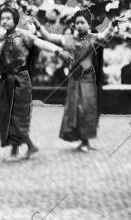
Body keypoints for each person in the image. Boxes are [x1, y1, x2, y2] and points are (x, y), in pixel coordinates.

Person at [0, 6, 73, 162]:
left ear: (15, 20)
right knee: (4, 113)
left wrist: (58, 51)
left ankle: (15, 152)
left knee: (17, 115)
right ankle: (29, 146)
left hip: (20, 79)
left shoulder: (24, 35)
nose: (4, 21)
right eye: (2, 18)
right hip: (5, 79)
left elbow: (40, 43)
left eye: (8, 18)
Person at [37, 9, 125, 152]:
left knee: (88, 108)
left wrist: (112, 24)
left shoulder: (93, 37)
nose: (79, 25)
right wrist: (38, 26)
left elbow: (106, 35)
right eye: (77, 23)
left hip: (88, 78)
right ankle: (81, 140)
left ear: (88, 24)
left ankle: (86, 141)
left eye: (82, 22)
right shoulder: (68, 38)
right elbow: (48, 37)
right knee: (75, 108)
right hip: (74, 79)